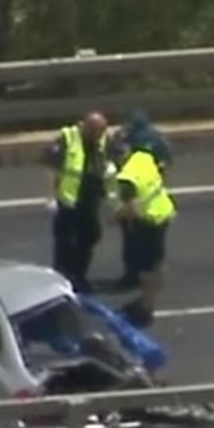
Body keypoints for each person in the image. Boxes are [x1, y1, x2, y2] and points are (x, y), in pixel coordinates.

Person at [43, 112, 111, 293]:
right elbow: (51, 167)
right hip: (68, 201)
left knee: (89, 238)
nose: (98, 136)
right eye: (95, 132)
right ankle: (62, 280)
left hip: (90, 200)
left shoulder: (103, 141)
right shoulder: (67, 138)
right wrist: (50, 196)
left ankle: (80, 277)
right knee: (65, 243)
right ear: (86, 127)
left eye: (101, 132)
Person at [111, 142, 176, 327]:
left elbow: (132, 210)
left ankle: (147, 307)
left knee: (146, 268)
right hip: (163, 212)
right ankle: (149, 298)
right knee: (156, 262)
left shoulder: (126, 178)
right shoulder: (143, 157)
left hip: (148, 222)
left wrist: (116, 217)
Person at [110, 110, 172, 290]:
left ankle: (137, 282)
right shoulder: (148, 155)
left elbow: (131, 204)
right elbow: (165, 165)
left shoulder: (129, 173)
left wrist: (118, 216)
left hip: (143, 215)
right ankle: (153, 279)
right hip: (160, 210)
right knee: (155, 252)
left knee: (136, 249)